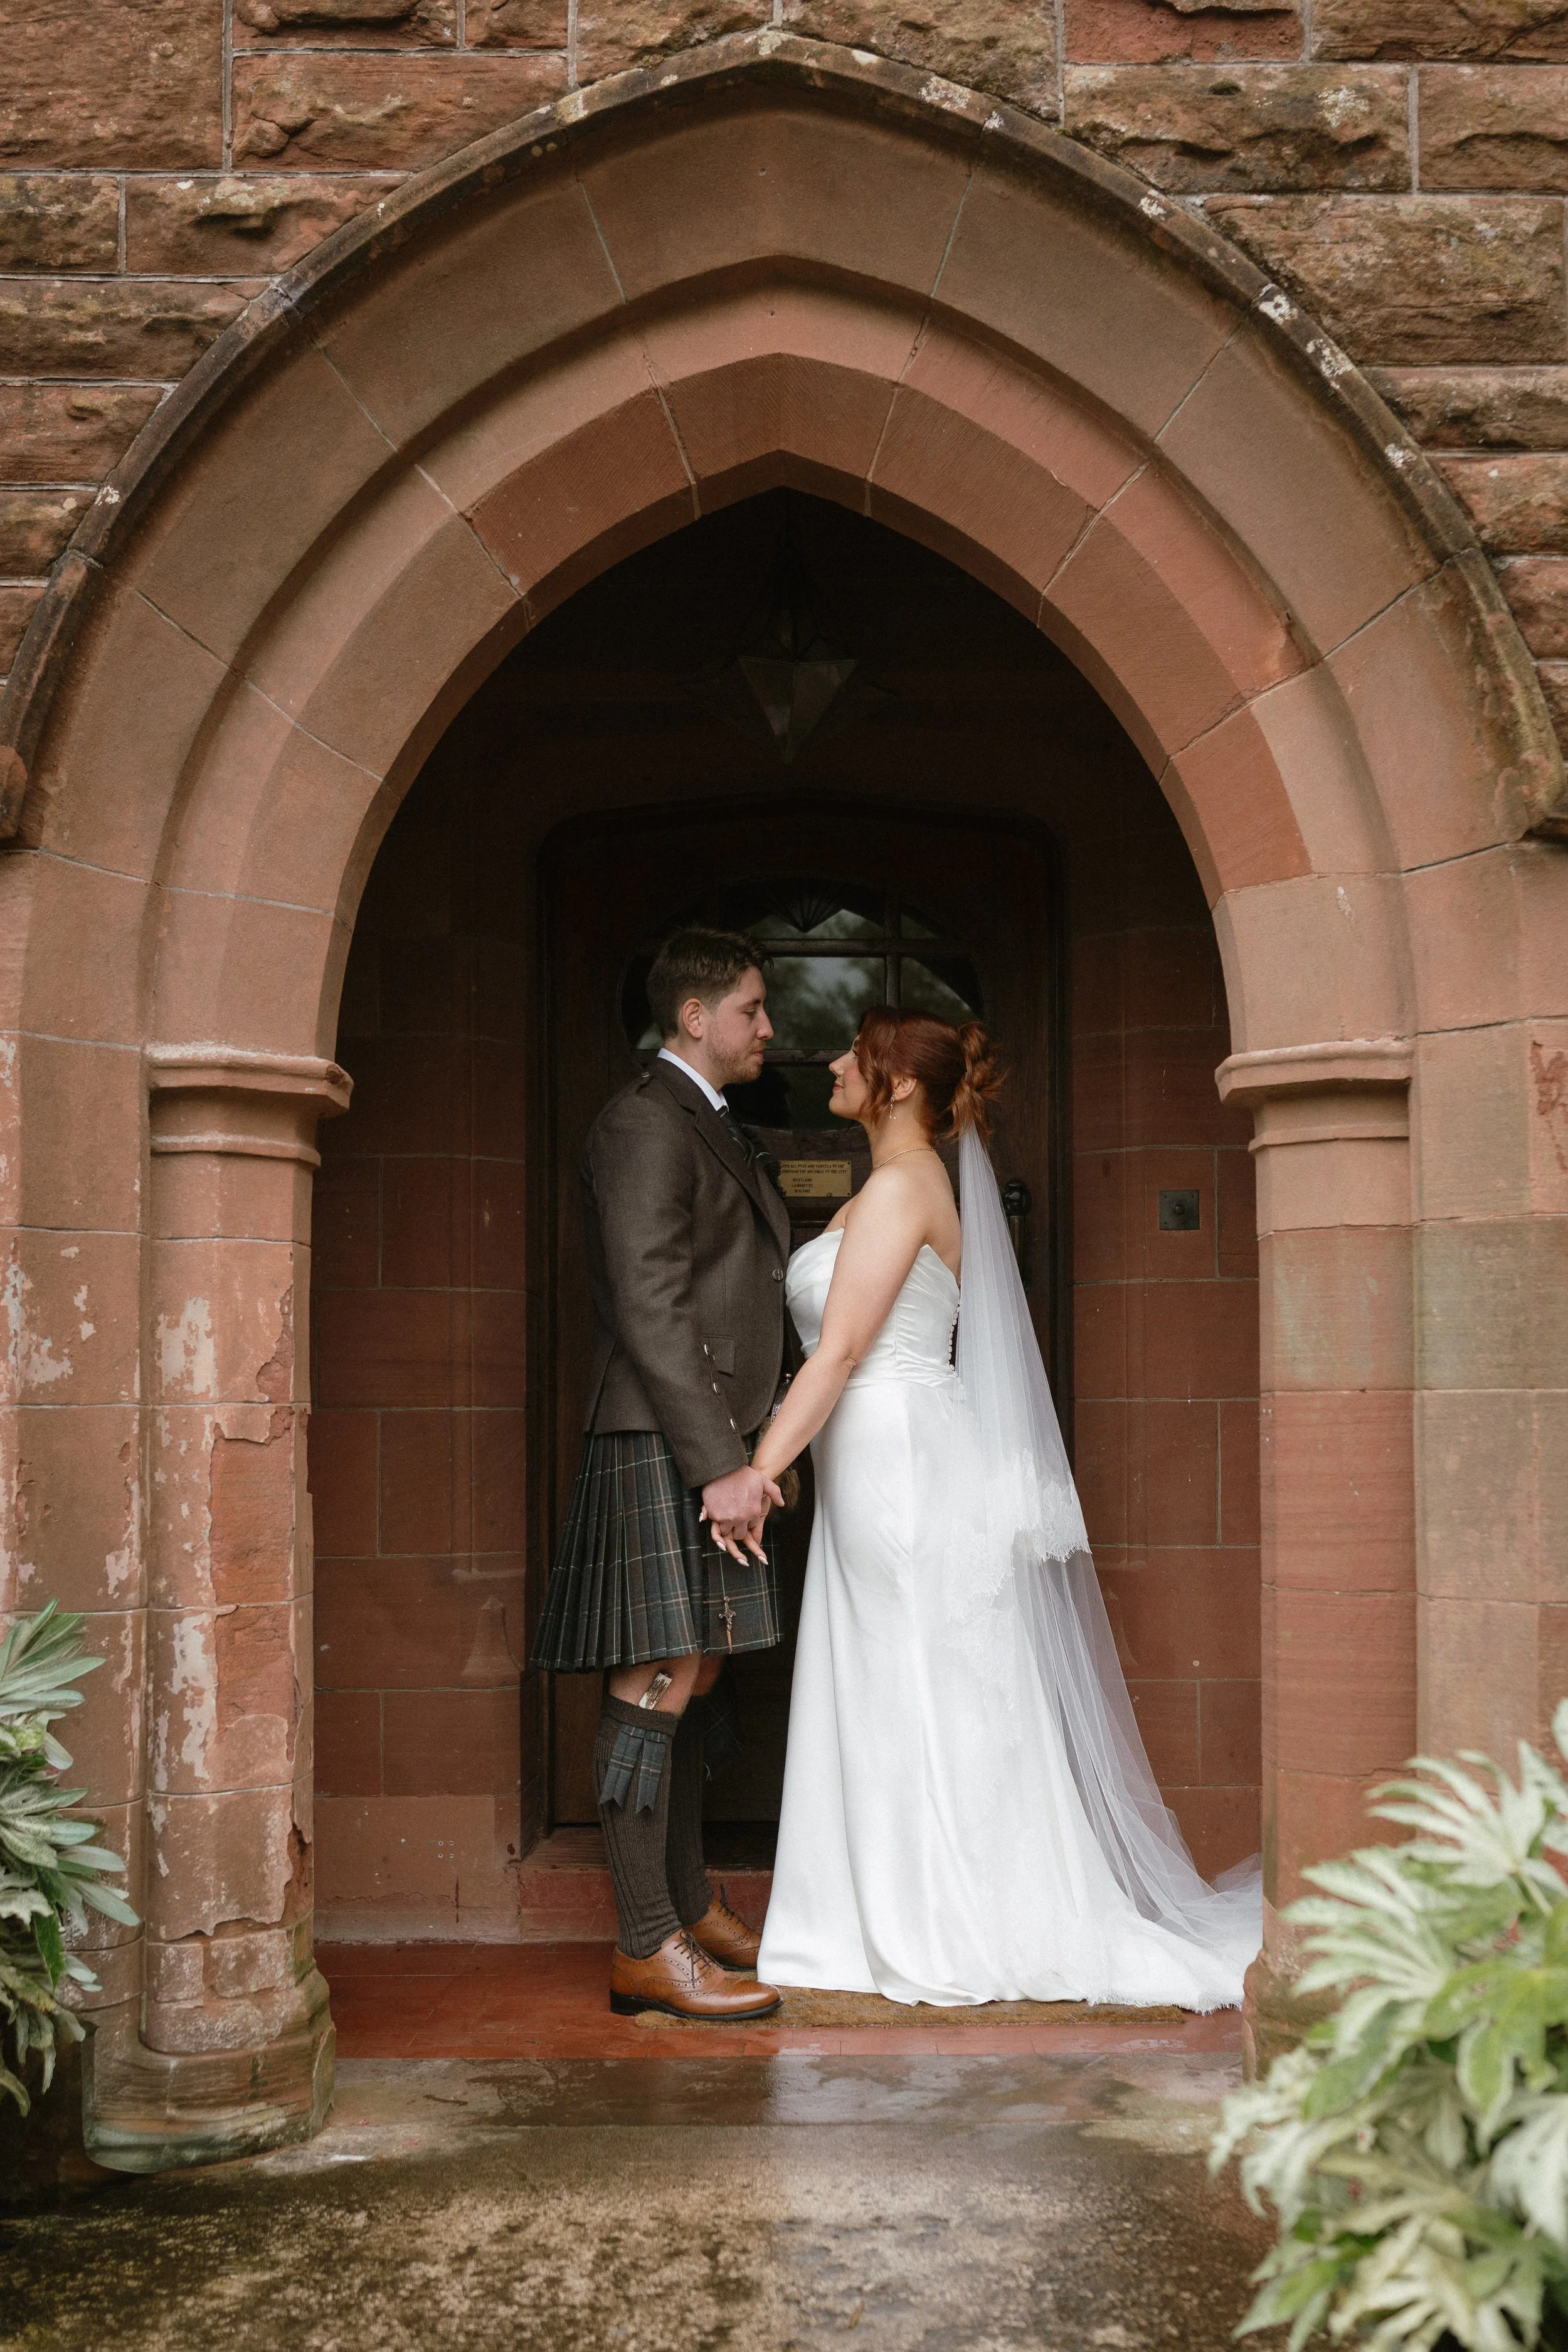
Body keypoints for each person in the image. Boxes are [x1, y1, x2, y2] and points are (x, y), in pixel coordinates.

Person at [753, 1007, 1261, 2009]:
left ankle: (941, 1914)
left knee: (910, 1676)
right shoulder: (895, 1185)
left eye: (859, 1053)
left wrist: (758, 1469)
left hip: (898, 1456)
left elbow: (844, 1350)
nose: (836, 1062)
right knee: (896, 1676)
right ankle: (875, 1909)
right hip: (887, 1450)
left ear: (897, 1084)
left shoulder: (904, 1188)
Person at [531, 928, 793, 2021]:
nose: (767, 1028)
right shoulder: (644, 1121)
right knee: (655, 1677)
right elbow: (651, 1304)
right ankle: (644, 1942)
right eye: (750, 1008)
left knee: (699, 1670)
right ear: (695, 1017)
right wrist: (720, 1462)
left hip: (699, 1436)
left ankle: (683, 1903)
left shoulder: (699, 1118)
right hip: (665, 1436)